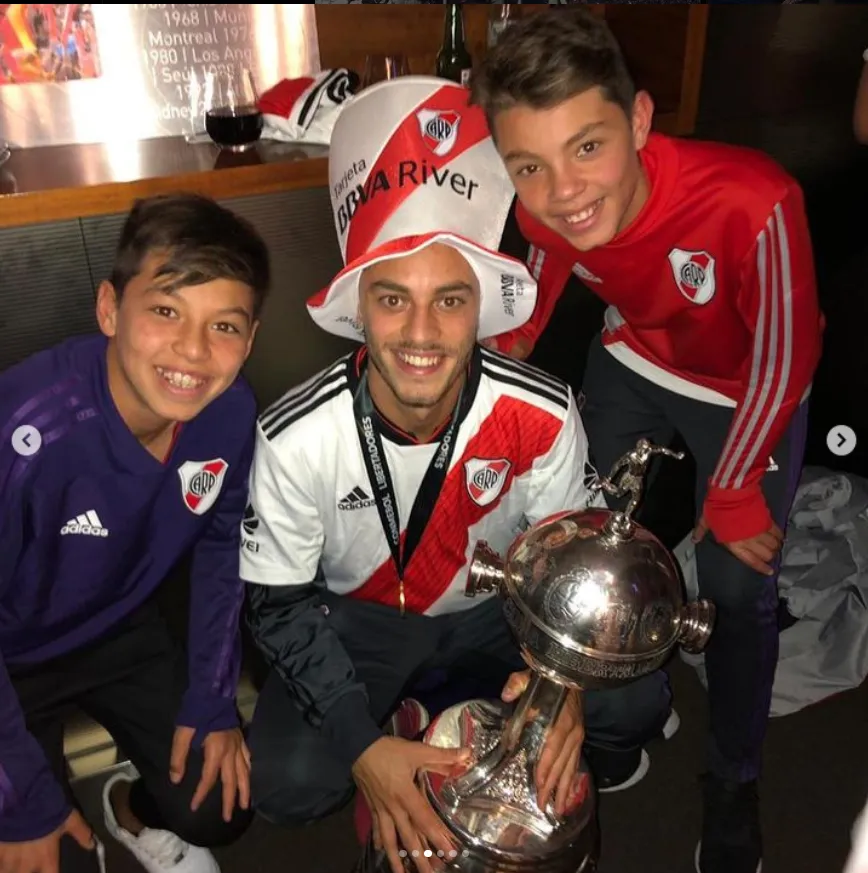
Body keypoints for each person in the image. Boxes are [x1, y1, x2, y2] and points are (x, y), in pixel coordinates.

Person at [241, 76, 675, 873]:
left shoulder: (541, 409)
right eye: (392, 299)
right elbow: (275, 605)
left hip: (496, 614)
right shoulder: (295, 433)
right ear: (359, 310)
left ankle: (443, 713)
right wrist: (363, 746)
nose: (421, 332)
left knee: (637, 702)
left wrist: (564, 683)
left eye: (450, 299)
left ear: (482, 308)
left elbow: (569, 565)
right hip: (359, 624)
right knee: (287, 784)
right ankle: (419, 719)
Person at [470, 9, 825, 873]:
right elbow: (551, 264)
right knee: (582, 535)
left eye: (587, 147)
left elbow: (792, 348)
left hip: (751, 383)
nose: (561, 191)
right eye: (531, 165)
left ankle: (733, 778)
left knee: (738, 590)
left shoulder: (755, 197)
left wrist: (734, 488)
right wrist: (510, 357)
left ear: (637, 121)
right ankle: (621, 704)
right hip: (635, 355)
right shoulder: (545, 205)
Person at [0, 193, 270, 873]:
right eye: (165, 310)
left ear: (251, 338)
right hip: (12, 654)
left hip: (122, 627)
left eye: (225, 325)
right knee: (38, 845)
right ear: (109, 309)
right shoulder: (25, 431)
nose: (193, 349)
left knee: (221, 803)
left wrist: (213, 699)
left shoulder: (229, 410)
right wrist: (22, 796)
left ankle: (128, 805)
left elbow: (219, 548)